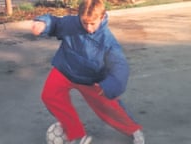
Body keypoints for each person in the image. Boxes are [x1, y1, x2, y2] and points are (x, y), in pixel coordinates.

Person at [30, 0, 145, 144]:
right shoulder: (71, 24)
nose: (89, 28)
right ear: (79, 17)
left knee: (109, 109)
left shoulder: (107, 41)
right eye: (85, 23)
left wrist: (109, 85)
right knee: (50, 95)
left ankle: (133, 130)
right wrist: (43, 24)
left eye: (93, 23)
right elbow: (56, 23)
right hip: (66, 69)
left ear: (102, 18)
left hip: (91, 79)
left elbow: (120, 66)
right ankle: (76, 134)